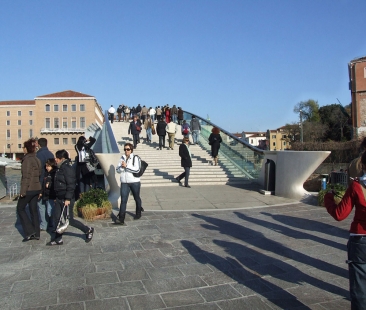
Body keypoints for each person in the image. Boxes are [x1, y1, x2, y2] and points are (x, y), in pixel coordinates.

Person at [324, 151, 366, 309]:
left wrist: (329, 197)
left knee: (360, 289)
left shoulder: (356, 186)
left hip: (360, 240)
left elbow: (340, 214)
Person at [48, 149, 94, 246]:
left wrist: (68, 198)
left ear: (62, 159)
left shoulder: (67, 168)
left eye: (57, 158)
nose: (55, 160)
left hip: (67, 198)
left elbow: (71, 184)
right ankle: (58, 239)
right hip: (59, 197)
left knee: (70, 220)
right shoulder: (59, 168)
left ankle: (88, 230)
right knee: (56, 218)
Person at [17, 138, 42, 242]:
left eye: (24, 147)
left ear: (27, 149)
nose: (23, 149)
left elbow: (26, 177)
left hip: (29, 189)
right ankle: (36, 233)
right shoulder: (37, 159)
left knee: (20, 208)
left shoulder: (27, 160)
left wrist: (23, 191)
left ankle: (29, 231)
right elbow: (39, 174)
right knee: (33, 210)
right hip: (36, 188)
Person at [115, 143, 143, 224]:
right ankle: (121, 218)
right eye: (125, 149)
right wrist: (122, 167)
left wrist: (126, 166)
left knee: (136, 197)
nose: (126, 151)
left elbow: (137, 170)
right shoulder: (122, 158)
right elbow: (117, 170)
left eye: (128, 149)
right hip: (124, 182)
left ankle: (138, 213)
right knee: (123, 200)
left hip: (134, 182)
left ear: (131, 150)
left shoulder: (135, 158)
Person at [36, 138, 54, 231]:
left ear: (39, 144)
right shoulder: (50, 154)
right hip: (50, 181)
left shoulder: (39, 155)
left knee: (41, 204)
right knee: (49, 203)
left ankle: (44, 224)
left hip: (42, 181)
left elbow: (39, 171)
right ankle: (51, 222)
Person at [42, 158, 57, 230]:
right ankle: (53, 225)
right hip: (48, 195)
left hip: (52, 195)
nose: (46, 167)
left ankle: (55, 226)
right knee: (49, 211)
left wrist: (49, 185)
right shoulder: (46, 173)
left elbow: (55, 185)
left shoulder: (54, 173)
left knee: (51, 211)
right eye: (46, 166)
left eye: (48, 166)